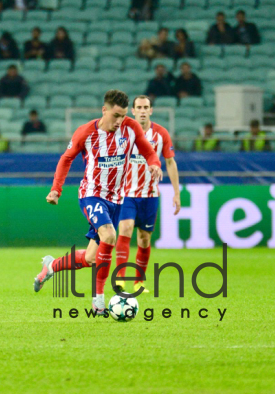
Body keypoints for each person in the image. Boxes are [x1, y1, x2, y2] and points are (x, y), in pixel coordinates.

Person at [33, 90, 162, 315]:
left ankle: (51, 267)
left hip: (117, 200)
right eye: (115, 116)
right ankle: (98, 300)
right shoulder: (86, 132)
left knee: (92, 257)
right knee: (110, 236)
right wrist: (56, 190)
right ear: (104, 110)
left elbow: (147, 149)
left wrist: (154, 163)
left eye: (123, 116)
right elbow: (66, 159)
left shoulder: (131, 127)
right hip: (91, 195)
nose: (119, 121)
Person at [115, 95, 180, 294]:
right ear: (132, 111)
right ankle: (119, 279)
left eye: (146, 107)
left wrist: (176, 193)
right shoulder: (122, 132)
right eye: (139, 107)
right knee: (125, 228)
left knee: (144, 239)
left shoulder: (161, 134)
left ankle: (138, 282)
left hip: (150, 195)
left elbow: (170, 162)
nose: (142, 111)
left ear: (151, 110)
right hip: (127, 194)